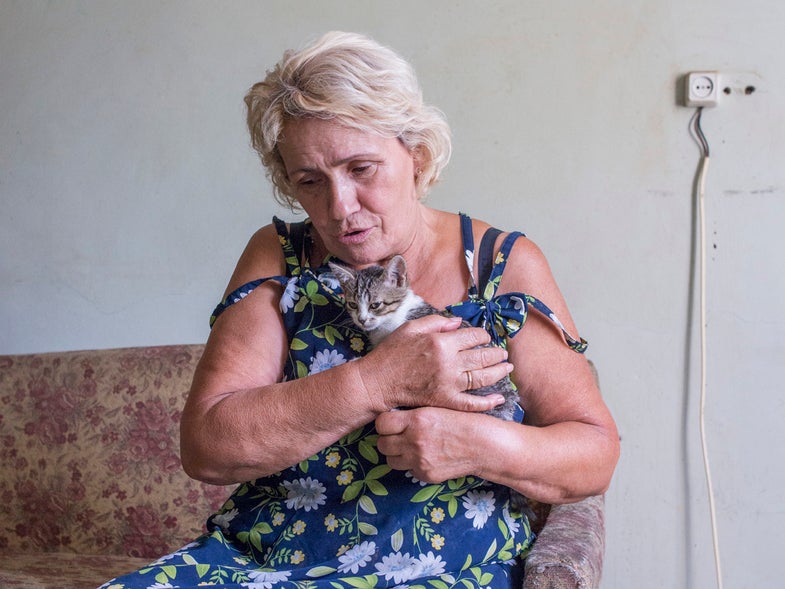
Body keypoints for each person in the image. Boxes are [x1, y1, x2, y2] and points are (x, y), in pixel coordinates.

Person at [101, 31, 618, 589]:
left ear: (415, 155)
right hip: (264, 564)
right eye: (309, 181)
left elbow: (593, 455)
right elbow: (207, 447)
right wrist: (377, 381)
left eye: (361, 169)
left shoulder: (500, 264)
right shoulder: (278, 255)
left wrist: (479, 445)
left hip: (446, 567)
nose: (340, 208)